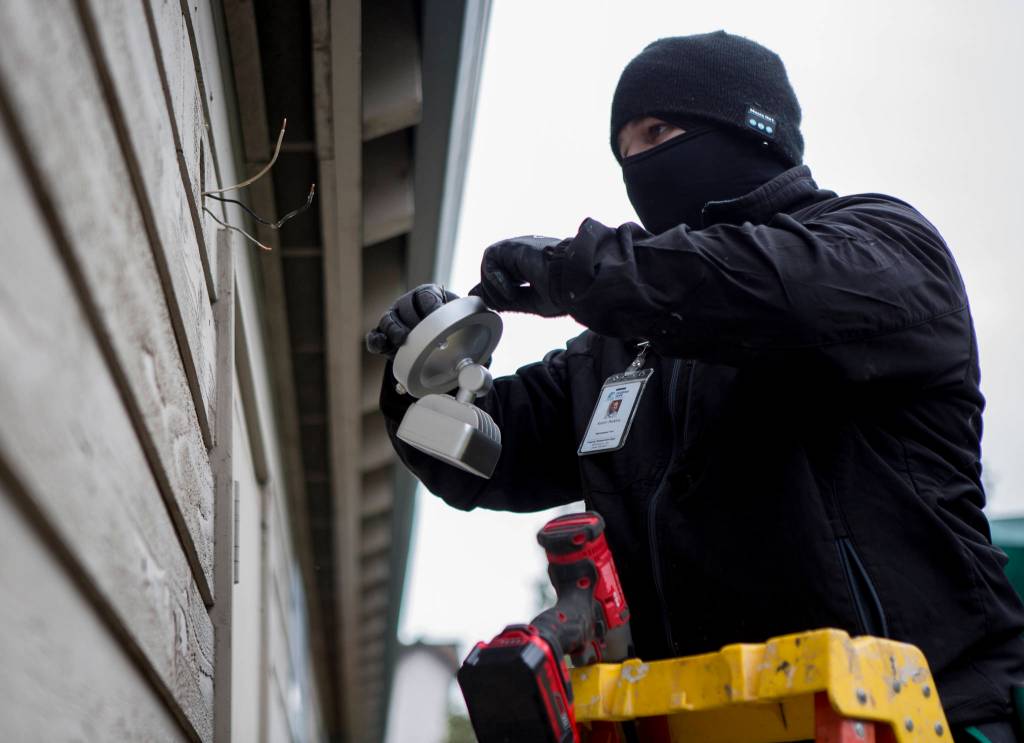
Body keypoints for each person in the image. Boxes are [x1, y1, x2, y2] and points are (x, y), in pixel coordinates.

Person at [367, 31, 1024, 740]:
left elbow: (764, 290)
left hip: (924, 712)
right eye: (624, 150)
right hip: (718, 720)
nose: (640, 163)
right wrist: (419, 378)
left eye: (659, 131)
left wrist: (582, 272)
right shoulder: (617, 352)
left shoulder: (881, 245)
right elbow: (492, 450)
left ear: (751, 130)